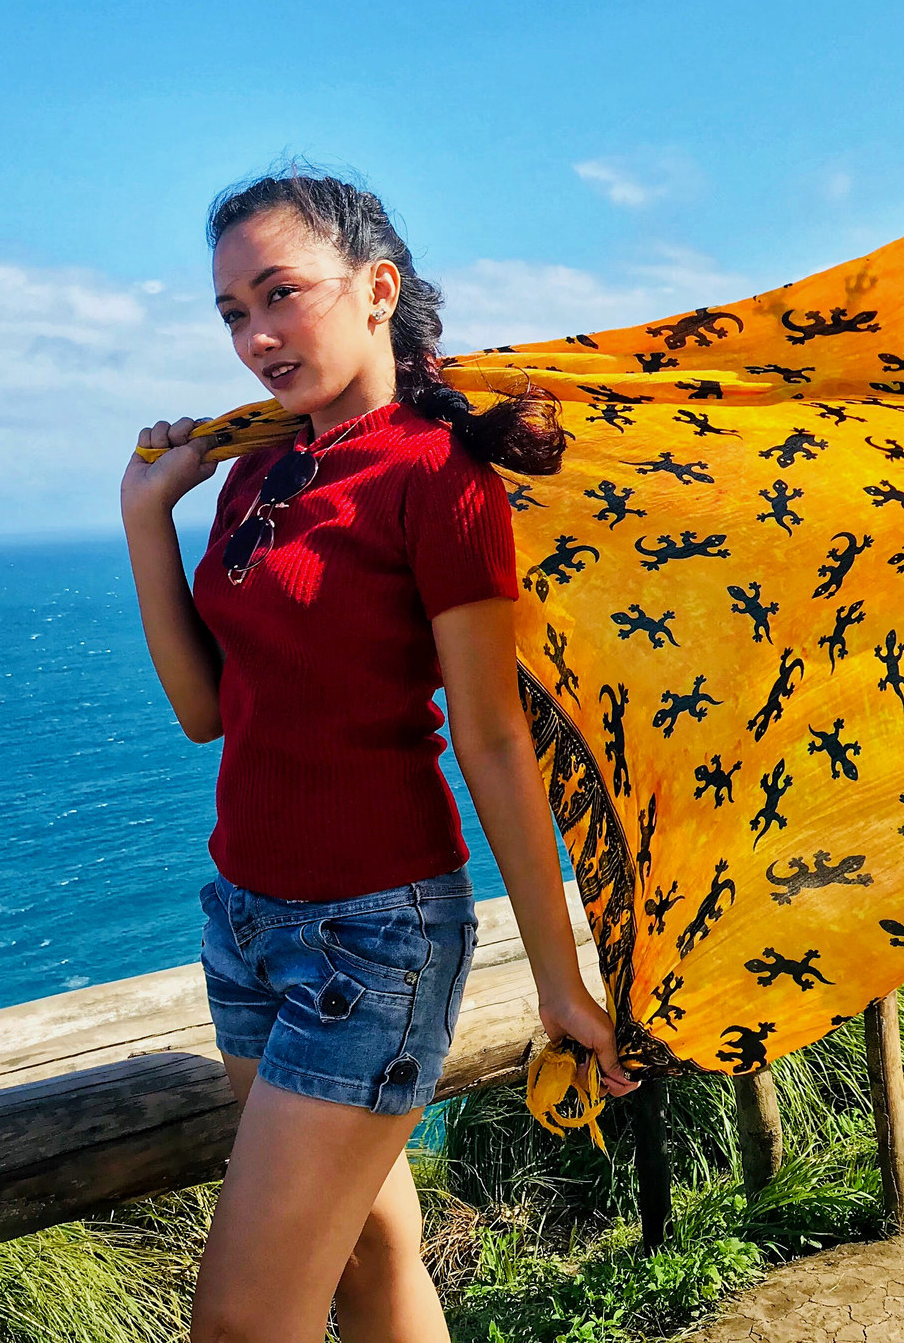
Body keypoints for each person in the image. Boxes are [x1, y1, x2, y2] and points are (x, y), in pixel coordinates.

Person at [119, 171, 636, 1343]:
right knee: (368, 1251)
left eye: (278, 295)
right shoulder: (254, 475)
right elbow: (207, 712)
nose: (253, 337)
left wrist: (559, 981)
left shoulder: (435, 480)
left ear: (375, 290)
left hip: (376, 935)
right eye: (230, 313)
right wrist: (146, 519)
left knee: (242, 1325)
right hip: (243, 921)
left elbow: (494, 739)